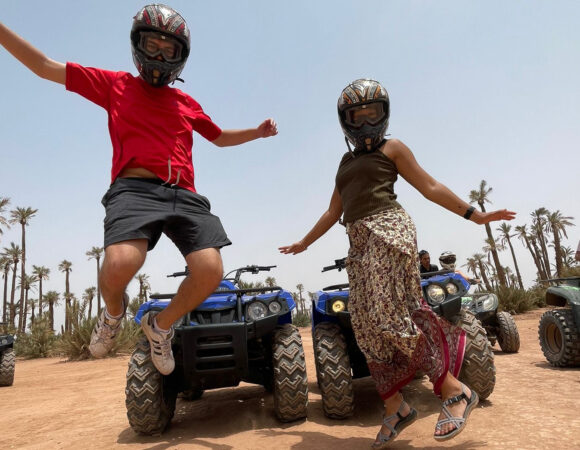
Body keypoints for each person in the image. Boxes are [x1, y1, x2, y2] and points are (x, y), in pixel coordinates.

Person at [0, 4, 278, 376]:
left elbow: (219, 137)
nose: (160, 56)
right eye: (153, 46)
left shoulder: (186, 102)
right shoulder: (116, 85)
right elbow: (44, 66)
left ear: (181, 57)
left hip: (184, 194)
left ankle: (160, 326)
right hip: (134, 189)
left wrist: (255, 133)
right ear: (137, 46)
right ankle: (113, 313)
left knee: (210, 270)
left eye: (170, 50)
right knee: (120, 264)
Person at [280, 79, 515, 446]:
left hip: (389, 230)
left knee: (391, 315)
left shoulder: (393, 147)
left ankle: (454, 390)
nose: (363, 123)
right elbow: (332, 211)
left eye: (370, 114)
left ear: (383, 115)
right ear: (345, 121)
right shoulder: (345, 162)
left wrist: (475, 215)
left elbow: (430, 186)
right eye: (355, 117)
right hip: (358, 243)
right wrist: (304, 242)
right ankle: (395, 407)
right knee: (365, 326)